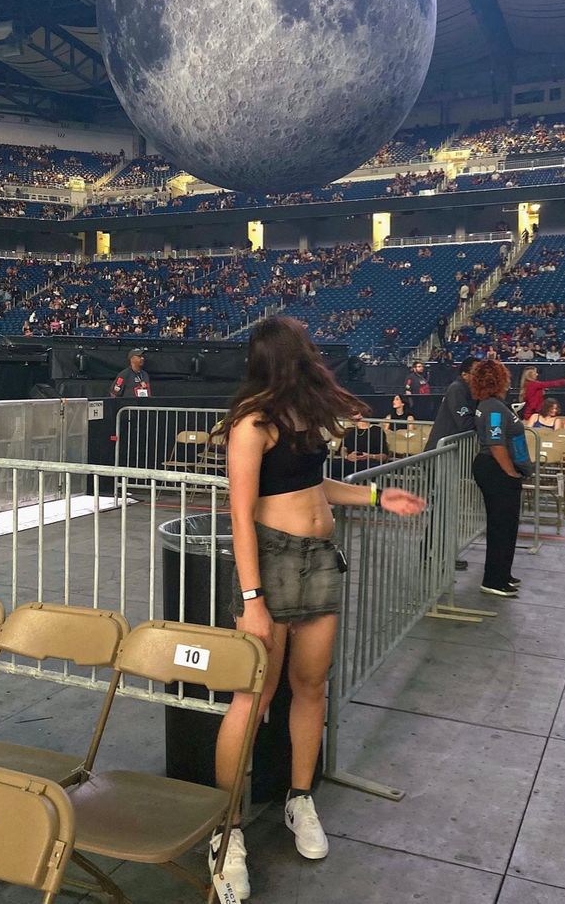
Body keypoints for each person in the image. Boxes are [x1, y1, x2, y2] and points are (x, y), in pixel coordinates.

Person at [210, 317, 426, 899]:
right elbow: (240, 512)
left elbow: (315, 488)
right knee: (252, 698)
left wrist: (380, 495)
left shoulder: (299, 417)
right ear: (286, 357)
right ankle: (226, 832)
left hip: (318, 559)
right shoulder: (252, 423)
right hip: (272, 566)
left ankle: (298, 800)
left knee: (310, 687)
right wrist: (253, 599)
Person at [471, 360, 533, 598]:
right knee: (501, 525)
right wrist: (511, 473)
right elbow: (496, 444)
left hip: (496, 468)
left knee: (507, 525)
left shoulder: (492, 405)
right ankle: (493, 579)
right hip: (496, 469)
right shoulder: (493, 408)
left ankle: (503, 573)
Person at [424, 355, 479, 572]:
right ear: (465, 374)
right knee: (443, 508)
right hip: (440, 456)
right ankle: (432, 552)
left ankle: (434, 551)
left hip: (450, 456)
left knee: (446, 508)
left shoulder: (468, 392)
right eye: (475, 372)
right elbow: (465, 422)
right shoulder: (457, 389)